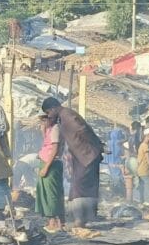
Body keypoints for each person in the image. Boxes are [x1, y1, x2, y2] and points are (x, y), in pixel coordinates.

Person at [42, 97, 103, 227]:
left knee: (79, 186)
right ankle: (83, 219)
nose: (48, 115)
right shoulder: (63, 116)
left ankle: (80, 220)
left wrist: (96, 144)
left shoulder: (67, 115)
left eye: (48, 112)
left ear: (53, 108)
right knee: (82, 186)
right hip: (82, 155)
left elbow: (82, 130)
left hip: (87, 154)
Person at [34, 113, 64, 231]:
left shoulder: (56, 128)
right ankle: (53, 221)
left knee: (52, 194)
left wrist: (46, 167)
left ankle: (54, 222)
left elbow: (55, 149)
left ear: (50, 119)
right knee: (46, 193)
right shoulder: (49, 129)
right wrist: (43, 130)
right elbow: (46, 144)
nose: (42, 123)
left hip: (51, 164)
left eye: (43, 120)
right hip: (46, 162)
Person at [137, 127, 149, 203]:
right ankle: (148, 205)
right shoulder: (145, 146)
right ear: (147, 136)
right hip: (145, 171)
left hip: (143, 171)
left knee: (145, 190)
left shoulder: (144, 145)